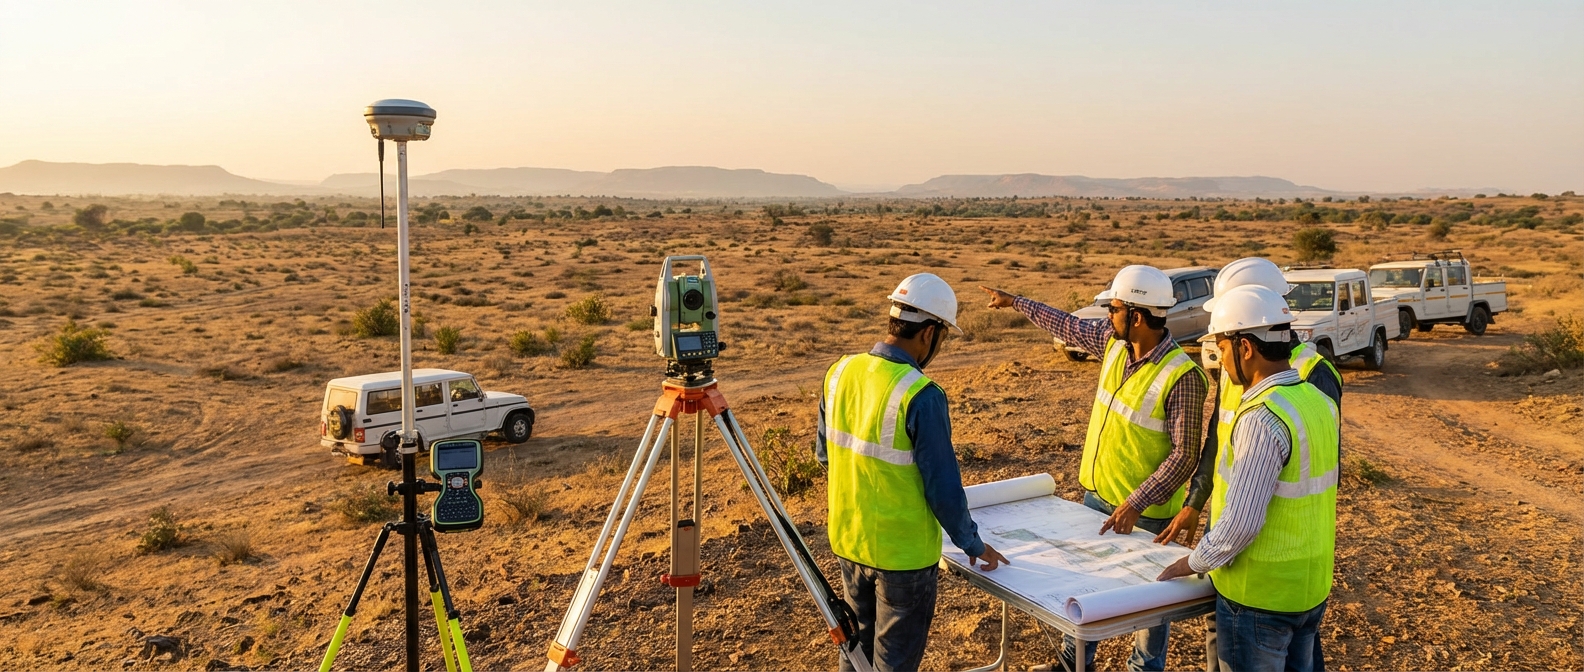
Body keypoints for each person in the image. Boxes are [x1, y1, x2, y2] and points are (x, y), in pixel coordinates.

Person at [981, 265, 1208, 672]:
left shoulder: (1183, 376)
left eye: (1114, 307)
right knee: (1084, 586)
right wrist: (1015, 301)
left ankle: (1144, 670)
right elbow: (1068, 326)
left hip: (1149, 516)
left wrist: (1136, 503)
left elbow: (1184, 454)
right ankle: (1073, 664)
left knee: (1150, 605)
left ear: (1136, 316)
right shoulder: (1113, 344)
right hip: (1096, 499)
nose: (1107, 315)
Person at [1150, 258, 1342, 672]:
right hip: (1308, 588)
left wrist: (1195, 562)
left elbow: (1242, 522)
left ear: (1246, 347)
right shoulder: (1317, 404)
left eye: (1220, 348)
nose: (1218, 360)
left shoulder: (1262, 417)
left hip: (1259, 594)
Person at [816, 272, 1009, 672]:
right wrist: (973, 544)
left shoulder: (839, 373)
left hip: (850, 540)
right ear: (929, 334)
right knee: (894, 663)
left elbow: (825, 457)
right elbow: (943, 489)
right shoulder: (921, 393)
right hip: (903, 558)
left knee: (854, 650)